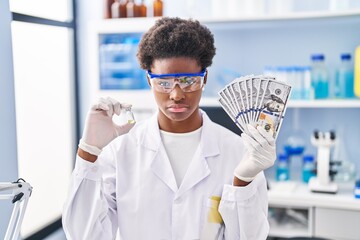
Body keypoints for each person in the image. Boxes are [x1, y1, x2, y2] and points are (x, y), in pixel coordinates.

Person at [62, 17, 276, 240]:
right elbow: (84, 235)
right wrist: (88, 152)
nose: (176, 95)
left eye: (188, 81)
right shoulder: (121, 151)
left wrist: (242, 181)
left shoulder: (236, 151)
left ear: (205, 78)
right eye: (163, 82)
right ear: (148, 80)